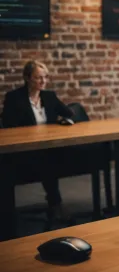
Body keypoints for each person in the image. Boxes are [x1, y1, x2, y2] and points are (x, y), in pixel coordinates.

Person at [1, 60, 74, 222]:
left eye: (45, 77)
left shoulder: (49, 96)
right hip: (25, 149)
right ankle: (56, 204)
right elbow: (8, 124)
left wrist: (60, 120)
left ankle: (55, 204)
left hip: (48, 146)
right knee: (47, 160)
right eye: (38, 78)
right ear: (27, 78)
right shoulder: (14, 98)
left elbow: (68, 113)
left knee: (52, 157)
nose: (43, 82)